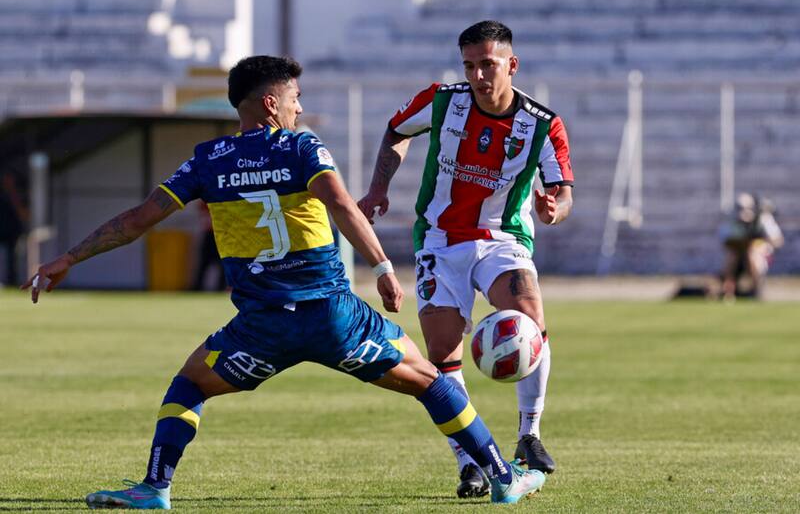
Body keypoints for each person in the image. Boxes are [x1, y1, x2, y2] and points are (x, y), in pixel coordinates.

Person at [22, 55, 546, 508]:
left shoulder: (208, 160)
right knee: (431, 382)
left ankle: (155, 486)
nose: (299, 106)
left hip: (262, 328)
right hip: (335, 318)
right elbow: (343, 205)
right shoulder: (301, 148)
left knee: (190, 384)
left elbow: (138, 219)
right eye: (294, 98)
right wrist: (383, 268)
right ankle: (503, 477)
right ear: (271, 104)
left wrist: (68, 258)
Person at [358, 20, 574, 498]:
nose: (477, 75)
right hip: (439, 239)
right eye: (469, 65)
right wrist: (378, 189)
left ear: (512, 65)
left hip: (502, 237)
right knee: (442, 351)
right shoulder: (442, 100)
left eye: (488, 65)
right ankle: (470, 461)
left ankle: (529, 435)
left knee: (530, 317)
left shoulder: (542, 124)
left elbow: (562, 193)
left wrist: (553, 209)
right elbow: (395, 130)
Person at [719, 192, 783, 300]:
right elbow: (726, 241)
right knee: (732, 255)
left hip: (761, 257)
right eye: (740, 208)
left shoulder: (764, 219)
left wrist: (758, 243)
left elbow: (778, 241)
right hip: (740, 256)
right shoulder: (734, 221)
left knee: (752, 253)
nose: (744, 211)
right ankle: (728, 291)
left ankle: (757, 290)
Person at [0, 170, 28, 286]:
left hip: (13, 232)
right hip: (1, 230)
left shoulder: (18, 196)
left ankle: (11, 281)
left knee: (12, 259)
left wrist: (13, 194)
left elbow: (24, 214)